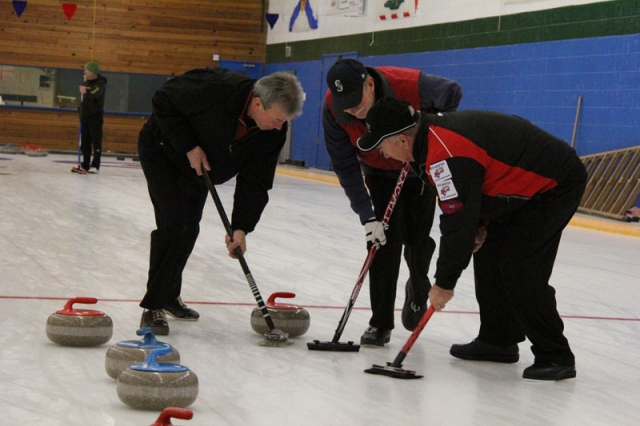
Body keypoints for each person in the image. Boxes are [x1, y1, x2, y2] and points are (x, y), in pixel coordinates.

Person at [357, 97, 587, 380]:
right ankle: (498, 340)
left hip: (553, 186)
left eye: (383, 146)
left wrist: (444, 282)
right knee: (490, 252)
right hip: (512, 186)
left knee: (520, 267)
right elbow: (473, 189)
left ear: (403, 140)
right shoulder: (430, 143)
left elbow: (457, 222)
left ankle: (556, 354)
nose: (384, 154)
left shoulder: (444, 153)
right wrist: (480, 224)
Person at [137, 68, 305, 335]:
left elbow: (256, 181)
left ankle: (169, 296)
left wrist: (241, 227)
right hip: (164, 151)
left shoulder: (272, 132)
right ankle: (153, 305)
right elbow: (163, 99)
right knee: (172, 224)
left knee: (189, 228)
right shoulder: (216, 87)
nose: (279, 126)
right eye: (276, 119)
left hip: (200, 169)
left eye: (284, 121)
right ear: (258, 103)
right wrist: (188, 145)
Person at [322, 59, 462, 346]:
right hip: (378, 171)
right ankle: (380, 322)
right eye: (345, 105)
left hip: (417, 169)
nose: (352, 110)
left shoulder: (407, 83)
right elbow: (344, 165)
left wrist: (430, 130)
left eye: (356, 102)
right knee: (382, 242)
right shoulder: (333, 109)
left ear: (370, 84)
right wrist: (366, 216)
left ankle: (418, 280)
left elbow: (453, 93)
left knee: (417, 236)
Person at [72, 61, 107, 175]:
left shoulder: (100, 83)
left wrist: (85, 91)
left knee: (95, 140)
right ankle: (85, 163)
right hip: (85, 116)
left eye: (87, 70)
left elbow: (94, 94)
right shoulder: (86, 82)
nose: (85, 72)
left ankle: (95, 165)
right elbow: (84, 99)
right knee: (85, 141)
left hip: (95, 116)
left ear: (93, 72)